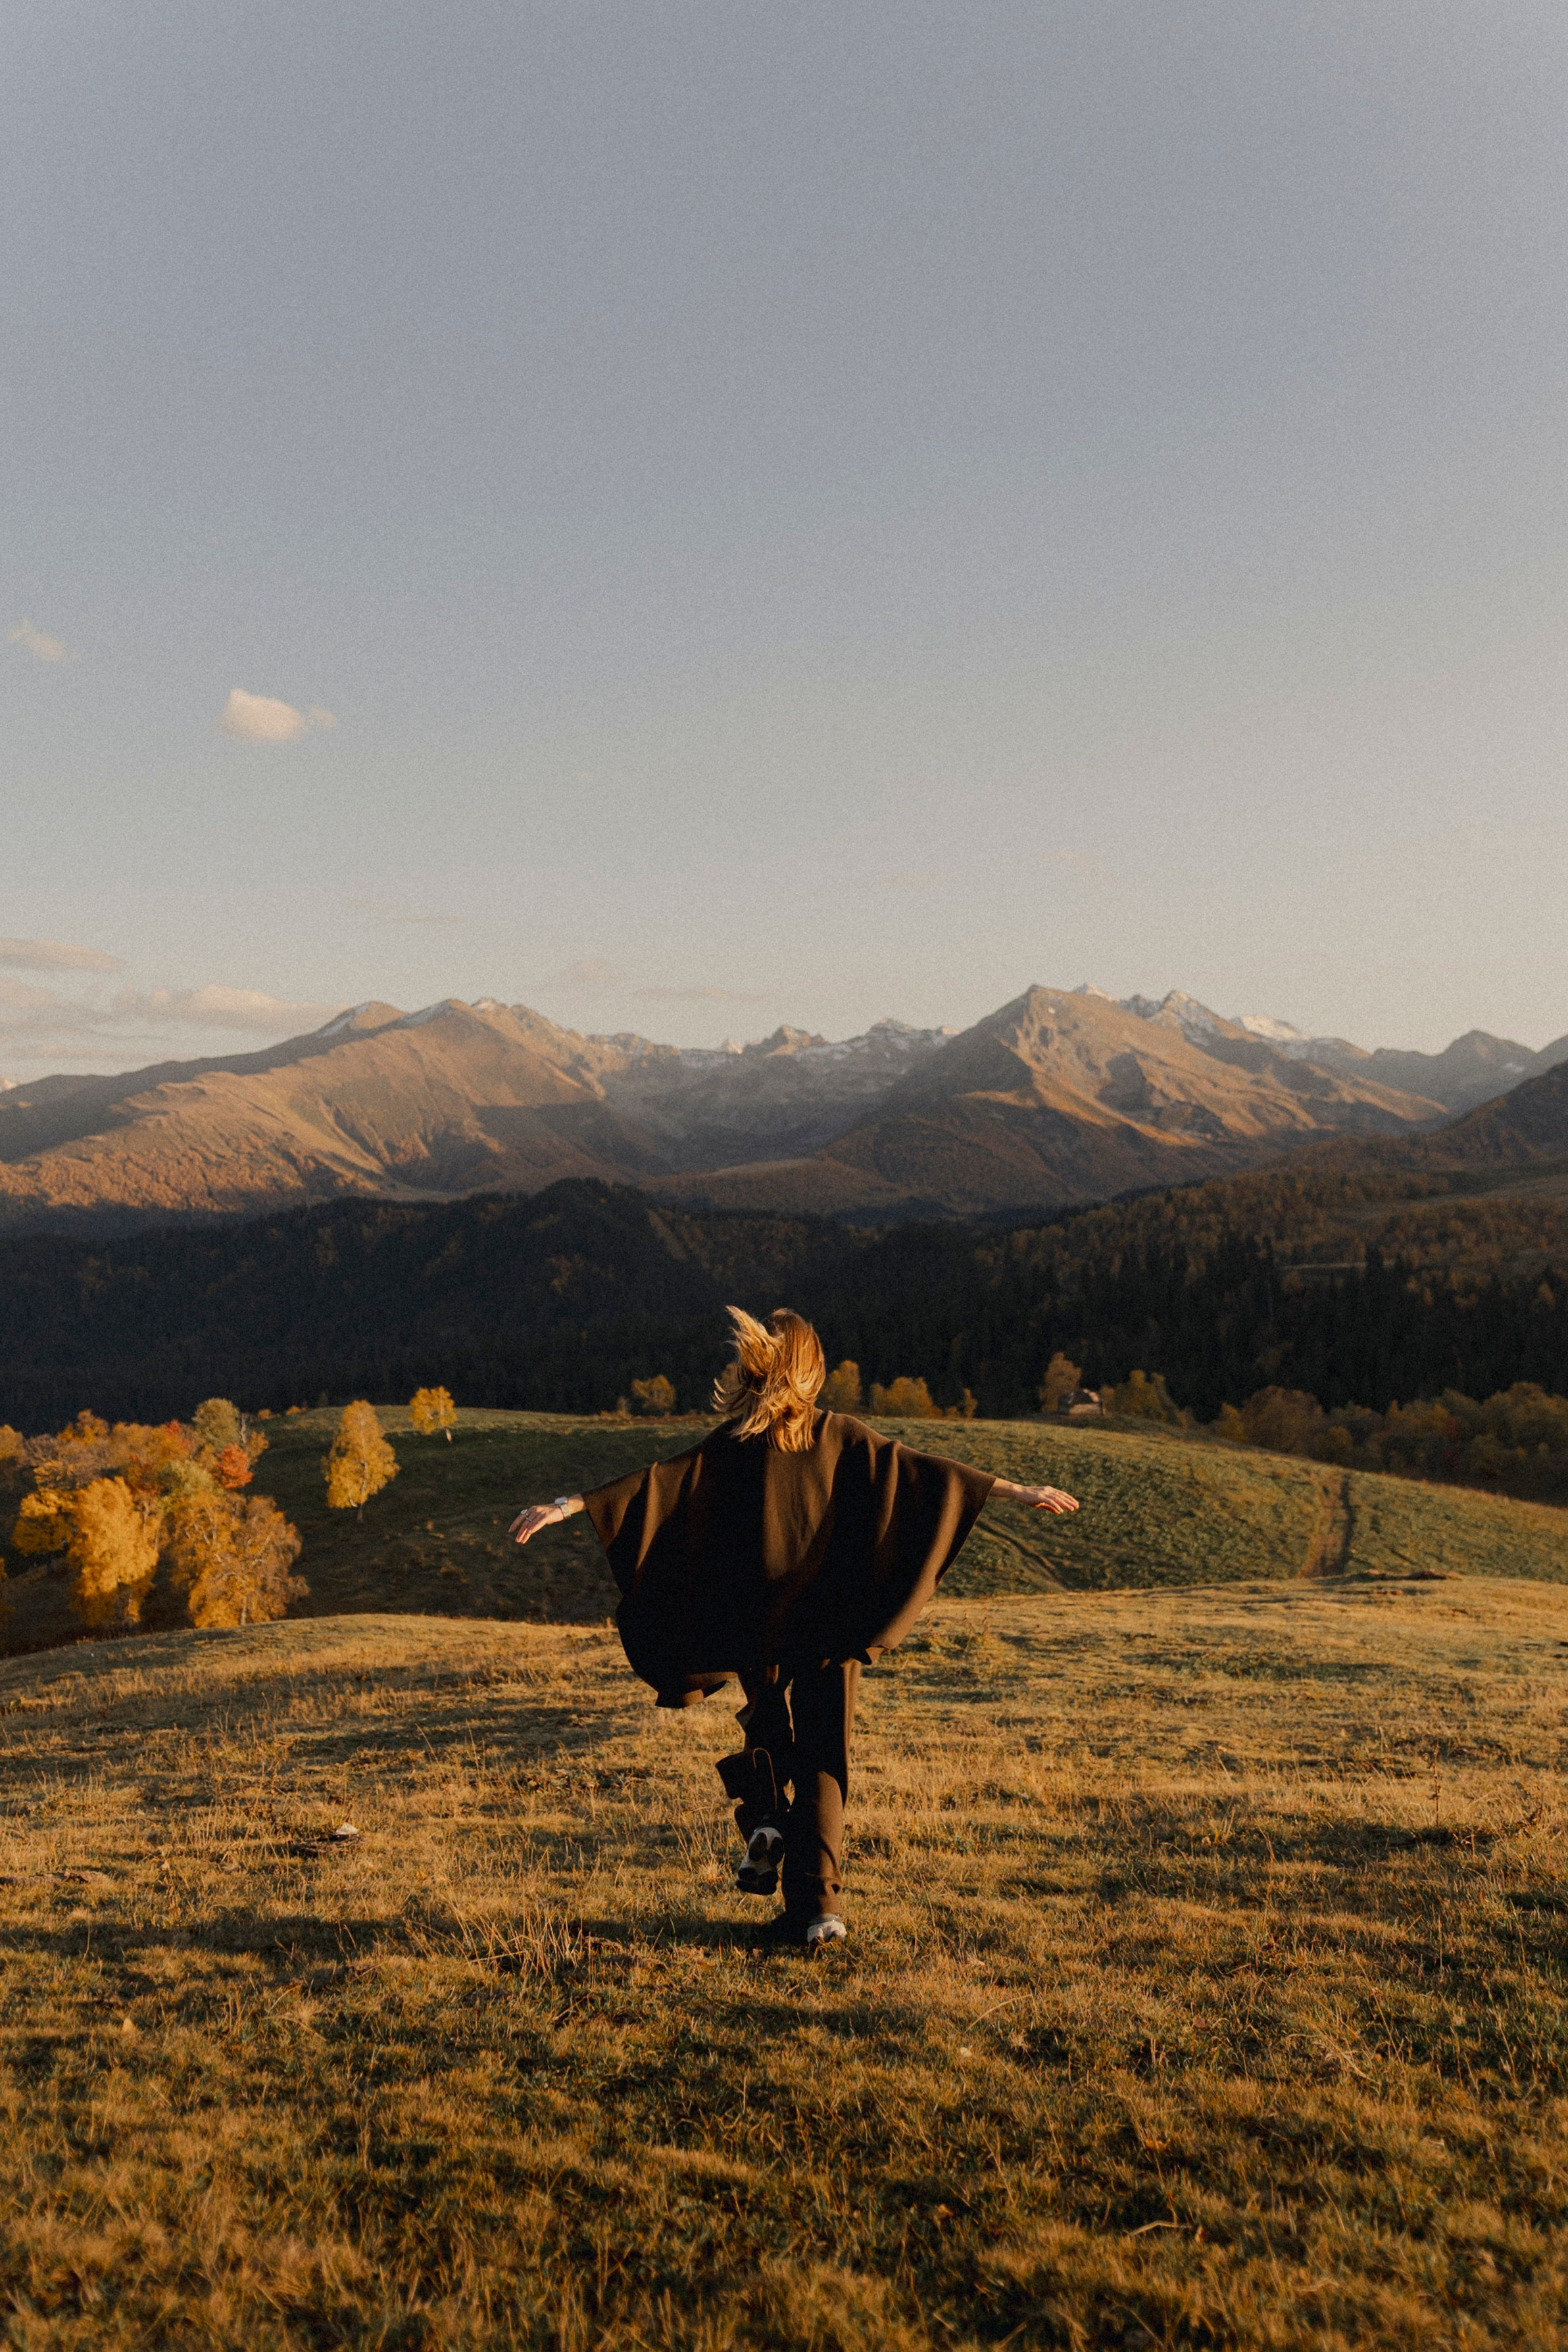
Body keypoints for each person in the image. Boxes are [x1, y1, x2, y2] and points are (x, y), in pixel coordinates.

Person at [508, 1308, 1079, 1949]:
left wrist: (568, 1505)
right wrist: (1016, 1490)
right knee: (823, 1759)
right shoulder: (840, 1435)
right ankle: (818, 1909)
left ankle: (765, 1820)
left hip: (757, 1620)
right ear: (812, 1369)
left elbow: (658, 1486)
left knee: (766, 1731)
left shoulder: (732, 1444)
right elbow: (925, 1473)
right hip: (828, 1626)